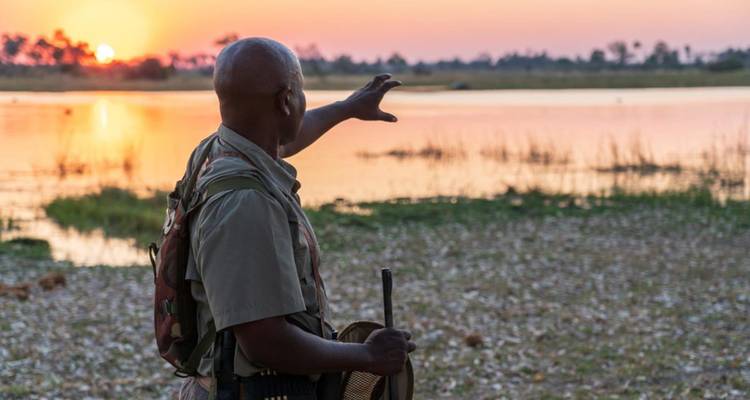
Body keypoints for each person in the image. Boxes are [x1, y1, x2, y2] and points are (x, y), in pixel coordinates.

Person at [177, 37, 416, 400]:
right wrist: (368, 356)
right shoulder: (244, 202)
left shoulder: (217, 150)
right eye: (301, 90)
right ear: (285, 101)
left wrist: (348, 107)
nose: (304, 102)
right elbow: (264, 341)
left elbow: (282, 139)